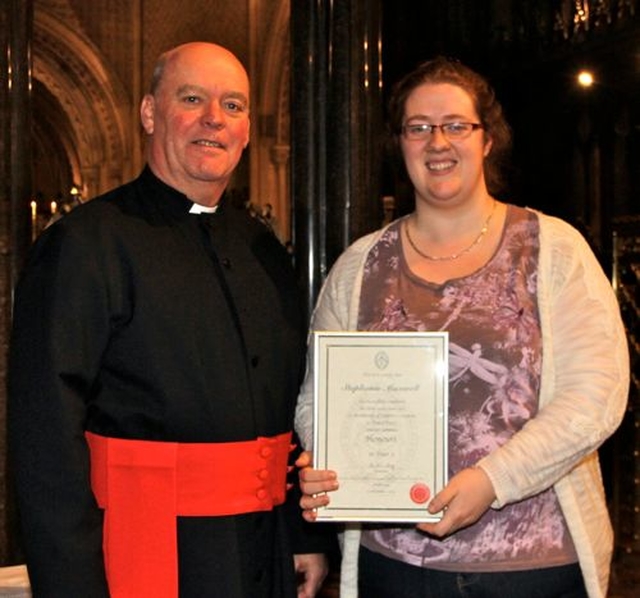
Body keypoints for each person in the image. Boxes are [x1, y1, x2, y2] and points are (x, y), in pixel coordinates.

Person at [294, 56, 630, 598]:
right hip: (395, 566)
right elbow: (317, 399)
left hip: (533, 567)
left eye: (455, 125)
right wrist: (332, 458)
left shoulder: (553, 249)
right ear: (399, 143)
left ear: (487, 139)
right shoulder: (360, 266)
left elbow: (596, 395)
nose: (437, 142)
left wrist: (492, 481)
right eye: (418, 128)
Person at [8, 41, 331, 598]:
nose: (214, 118)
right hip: (143, 553)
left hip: (263, 555)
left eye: (233, 106)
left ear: (248, 130)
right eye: (192, 98)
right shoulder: (84, 245)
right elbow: (46, 444)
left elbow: (290, 412)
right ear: (150, 114)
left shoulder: (263, 250)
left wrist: (301, 534)